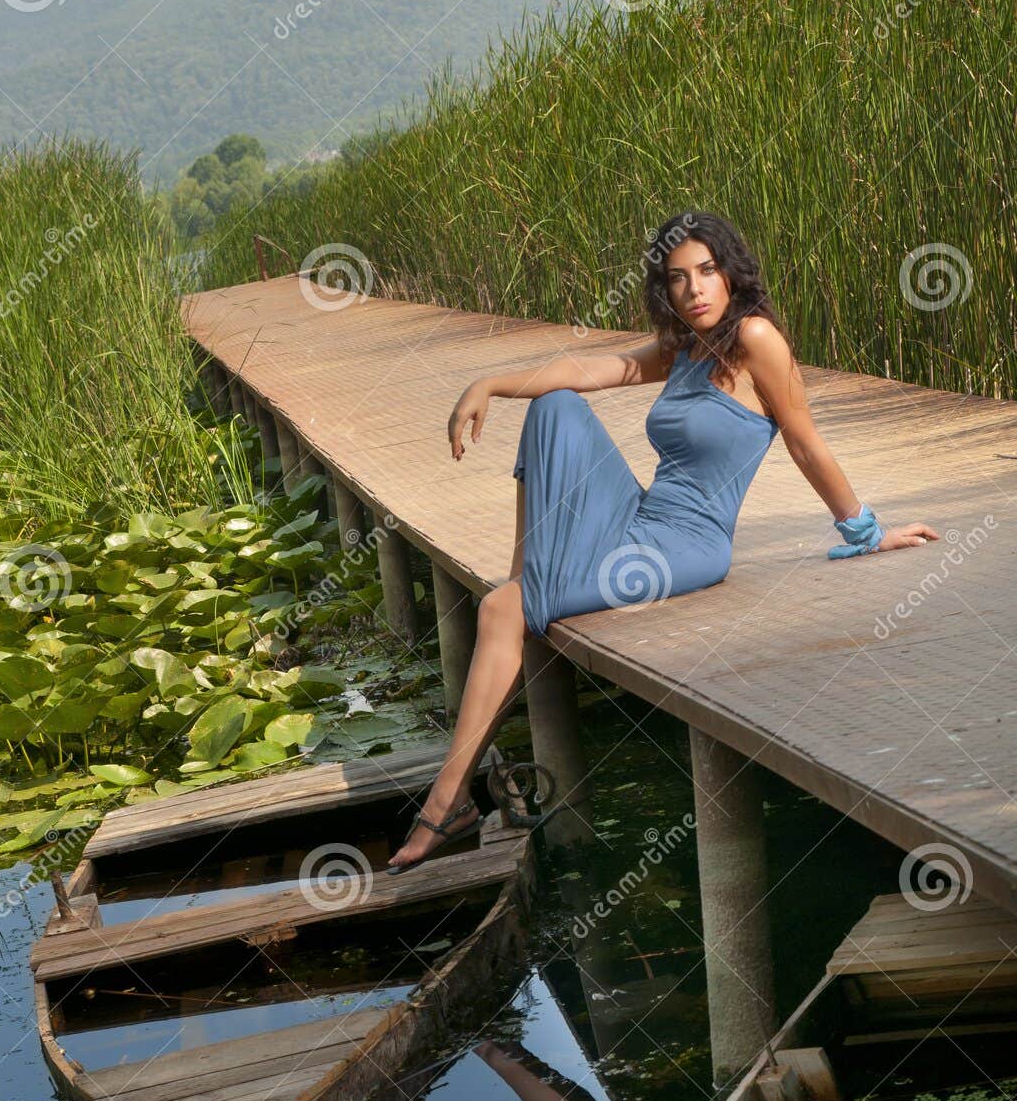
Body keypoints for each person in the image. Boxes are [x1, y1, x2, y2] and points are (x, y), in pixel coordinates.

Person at [385, 209, 938, 874]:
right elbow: (590, 366)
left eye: (706, 272)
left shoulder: (757, 339)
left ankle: (446, 805)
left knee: (502, 609)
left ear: (731, 272)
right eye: (677, 279)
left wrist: (866, 532)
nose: (694, 290)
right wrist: (488, 383)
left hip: (689, 544)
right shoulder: (682, 346)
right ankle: (523, 580)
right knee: (555, 405)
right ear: (663, 290)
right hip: (642, 515)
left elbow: (802, 439)